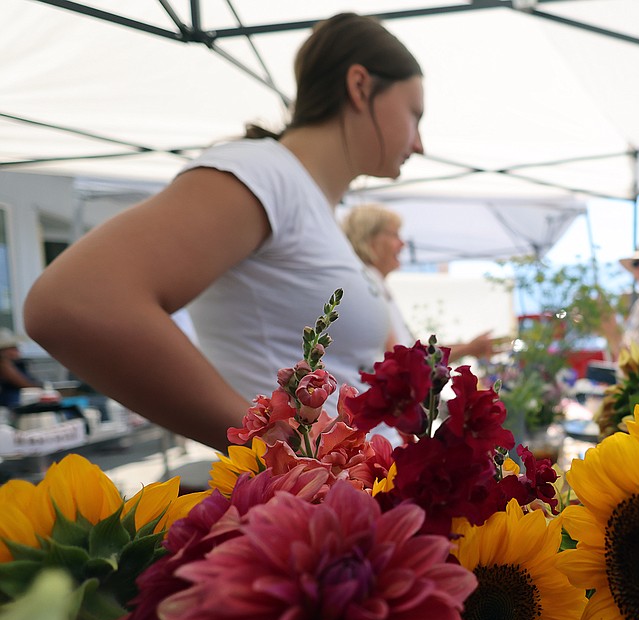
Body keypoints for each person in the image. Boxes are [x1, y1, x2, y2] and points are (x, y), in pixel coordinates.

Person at [23, 13, 424, 450]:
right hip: (304, 506)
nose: (420, 143)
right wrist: (272, 443)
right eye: (414, 114)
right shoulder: (264, 172)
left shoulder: (308, 198)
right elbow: (75, 301)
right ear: (360, 86)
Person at [341, 203, 499, 362]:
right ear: (369, 238)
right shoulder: (370, 284)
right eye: (395, 235)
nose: (403, 244)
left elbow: (410, 353)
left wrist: (469, 347)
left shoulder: (372, 283)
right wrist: (468, 348)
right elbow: (402, 361)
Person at [0, 328, 39, 407]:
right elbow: (25, 385)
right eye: (11, 348)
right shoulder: (4, 365)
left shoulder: (17, 363)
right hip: (13, 403)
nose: (17, 351)